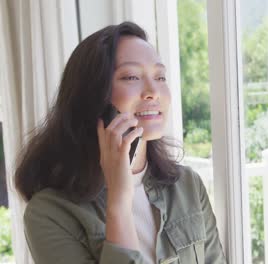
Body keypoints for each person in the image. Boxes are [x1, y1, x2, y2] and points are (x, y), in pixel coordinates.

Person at [14, 21, 226, 264]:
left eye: (160, 77)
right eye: (131, 77)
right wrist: (119, 200)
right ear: (93, 95)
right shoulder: (50, 212)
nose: (153, 92)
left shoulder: (187, 185)